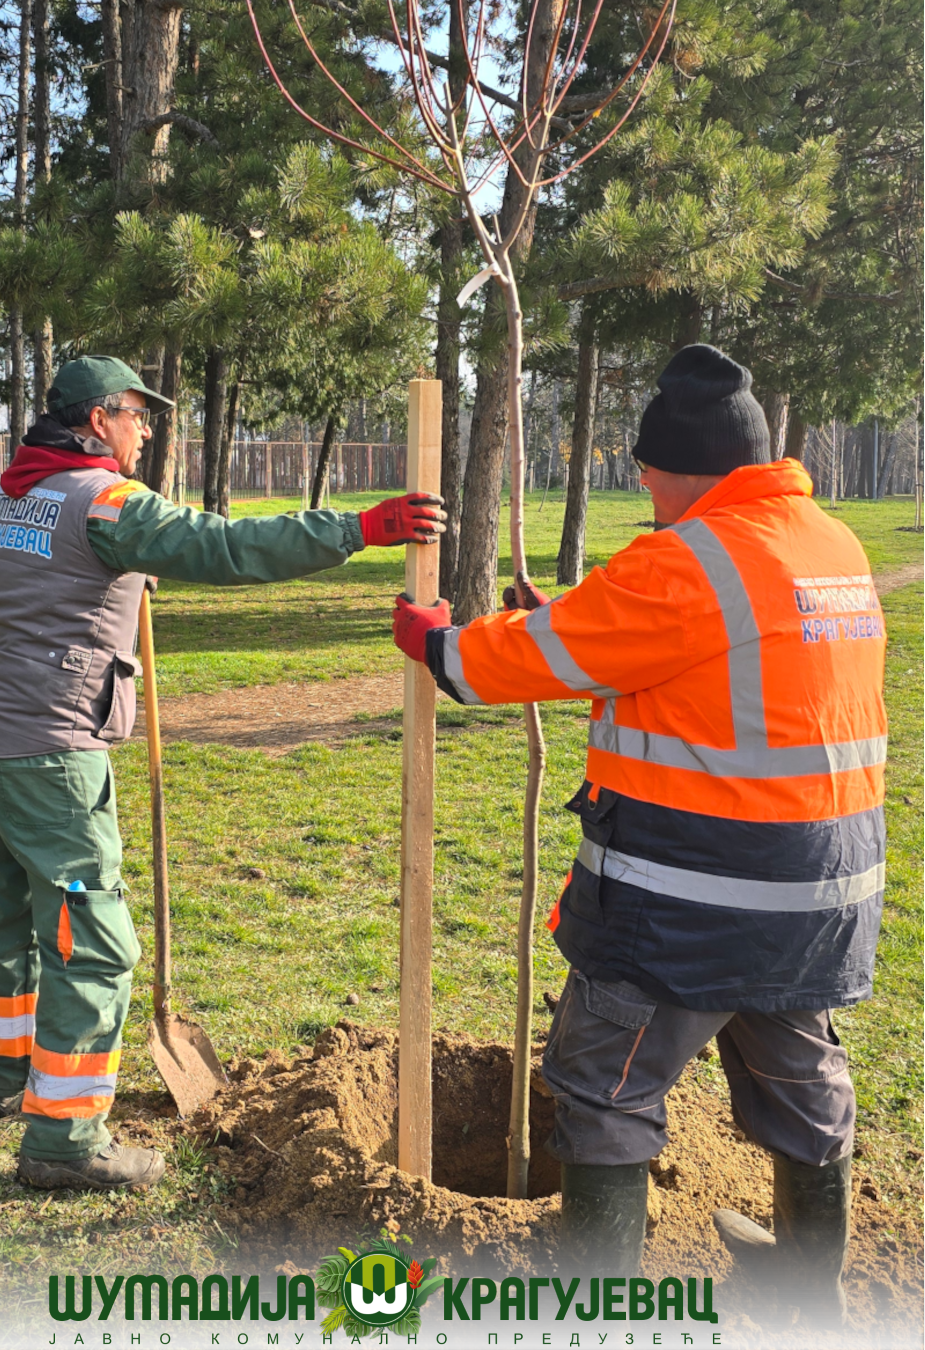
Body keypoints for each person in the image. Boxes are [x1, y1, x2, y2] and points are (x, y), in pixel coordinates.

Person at [392, 345, 886, 1327]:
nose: (645, 487)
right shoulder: (830, 545)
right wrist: (580, 627)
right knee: (801, 1081)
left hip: (687, 902)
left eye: (650, 470)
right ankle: (805, 1293)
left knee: (603, 1089)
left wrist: (438, 643)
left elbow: (502, 666)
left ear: (691, 470)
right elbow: (714, 668)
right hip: (820, 897)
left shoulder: (687, 559)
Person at [0, 355, 445, 1192]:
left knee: (14, 909)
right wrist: (357, 528)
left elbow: (54, 578)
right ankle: (63, 1141)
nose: (147, 431)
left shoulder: (13, 493)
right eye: (136, 415)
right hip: (49, 746)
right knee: (92, 938)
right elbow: (224, 546)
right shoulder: (105, 502)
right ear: (98, 419)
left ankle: (11, 1076)